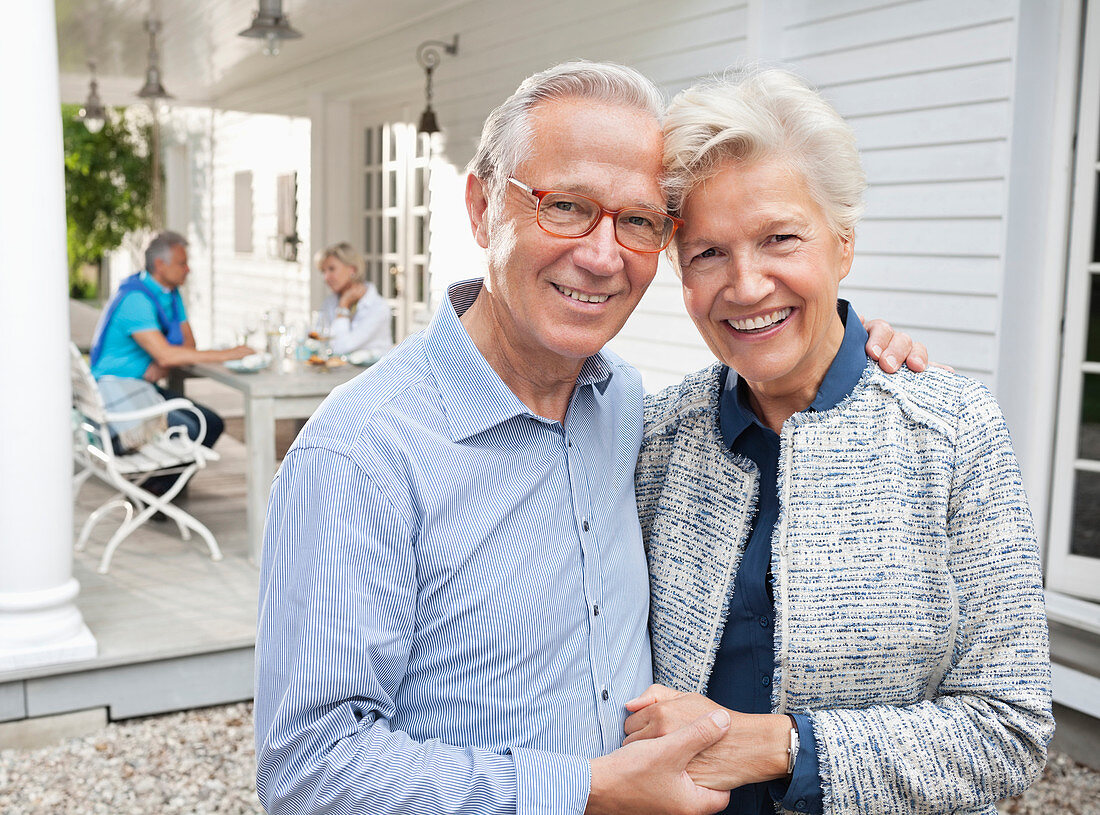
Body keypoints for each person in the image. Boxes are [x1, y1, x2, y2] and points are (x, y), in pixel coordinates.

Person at [254, 61, 922, 815]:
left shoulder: (628, 409)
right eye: (566, 205)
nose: (603, 256)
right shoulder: (362, 454)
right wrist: (587, 791)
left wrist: (858, 350)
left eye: (637, 221)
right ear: (481, 208)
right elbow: (309, 769)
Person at [625, 67, 1053, 815]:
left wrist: (777, 743)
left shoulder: (953, 432)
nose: (748, 284)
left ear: (843, 244)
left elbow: (1010, 728)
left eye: (779, 238)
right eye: (708, 253)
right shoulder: (657, 439)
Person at [90, 231, 251, 453]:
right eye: (182, 263)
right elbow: (169, 354)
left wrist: (164, 360)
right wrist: (228, 354)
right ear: (160, 265)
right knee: (193, 428)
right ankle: (154, 484)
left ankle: (158, 484)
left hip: (144, 386)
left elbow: (188, 346)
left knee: (212, 424)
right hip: (118, 394)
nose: (188, 269)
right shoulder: (135, 299)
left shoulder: (171, 295)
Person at [315, 241, 392, 357]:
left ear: (352, 270)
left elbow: (340, 348)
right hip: (340, 373)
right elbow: (318, 341)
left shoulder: (378, 307)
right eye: (323, 271)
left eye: (331, 269)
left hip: (373, 373)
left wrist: (343, 307)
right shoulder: (330, 302)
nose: (326, 277)